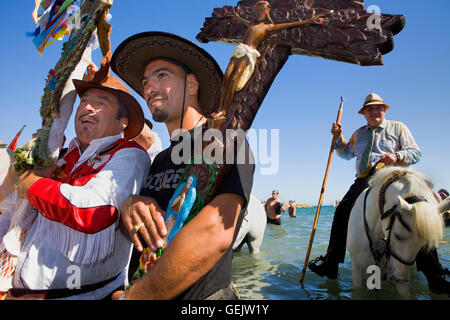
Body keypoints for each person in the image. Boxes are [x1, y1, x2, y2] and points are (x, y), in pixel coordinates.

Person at [110, 31, 255, 300]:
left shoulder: (226, 142)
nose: (149, 87)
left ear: (191, 85)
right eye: (145, 81)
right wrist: (129, 206)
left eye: (161, 75)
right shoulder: (159, 160)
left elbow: (215, 233)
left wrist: (136, 297)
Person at [0, 72, 150, 299]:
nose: (87, 108)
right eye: (84, 101)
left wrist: (32, 185)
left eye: (101, 103)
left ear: (123, 122)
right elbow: (13, 213)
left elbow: (94, 212)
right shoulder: (61, 157)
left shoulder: (129, 154)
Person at [308, 93, 449, 294]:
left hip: (396, 177)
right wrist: (338, 138)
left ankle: (434, 275)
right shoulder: (359, 133)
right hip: (366, 179)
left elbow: (416, 152)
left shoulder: (399, 127)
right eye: (370, 109)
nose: (375, 111)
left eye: (379, 108)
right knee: (342, 211)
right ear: (364, 113)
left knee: (421, 213)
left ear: (384, 110)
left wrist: (397, 155)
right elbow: (345, 153)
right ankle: (331, 262)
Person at [213, 0, 327, 127]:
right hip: (239, 51)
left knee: (234, 78)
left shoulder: (268, 27)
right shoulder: (251, 24)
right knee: (227, 77)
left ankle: (223, 111)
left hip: (248, 54)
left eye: (260, 10)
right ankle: (219, 109)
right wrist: (237, 17)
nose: (257, 13)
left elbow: (290, 24)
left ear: (266, 11)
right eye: (256, 10)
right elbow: (244, 22)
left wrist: (310, 21)